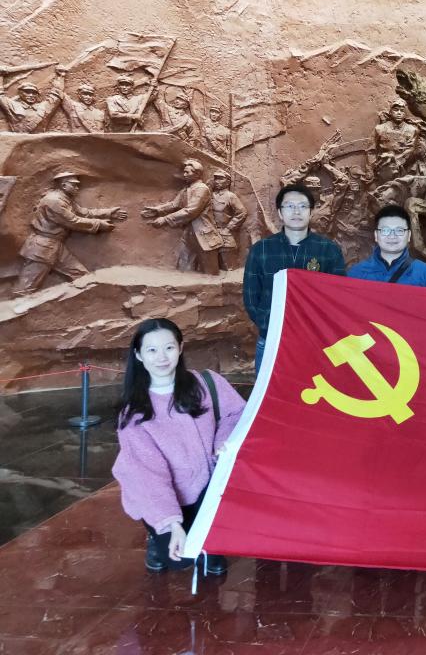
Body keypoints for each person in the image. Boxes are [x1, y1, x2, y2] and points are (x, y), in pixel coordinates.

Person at [112, 318, 246, 575]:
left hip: (208, 485)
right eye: (152, 350)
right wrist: (171, 523)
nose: (162, 357)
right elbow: (148, 474)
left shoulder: (206, 383)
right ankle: (156, 534)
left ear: (181, 348)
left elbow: (236, 414)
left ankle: (210, 543)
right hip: (166, 494)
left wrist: (223, 442)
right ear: (139, 355)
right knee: (180, 560)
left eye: (169, 348)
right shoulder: (134, 412)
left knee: (213, 554)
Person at [243, 184, 346, 372]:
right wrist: (270, 326)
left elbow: (337, 298)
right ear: (280, 213)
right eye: (289, 206)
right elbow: (251, 298)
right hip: (272, 341)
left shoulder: (328, 250)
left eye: (302, 206)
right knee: (270, 391)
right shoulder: (262, 250)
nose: (296, 211)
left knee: (312, 390)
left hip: (315, 343)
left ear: (311, 211)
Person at [13, 171, 127, 294]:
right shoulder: (54, 201)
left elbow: (83, 212)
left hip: (55, 246)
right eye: (74, 185)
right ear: (64, 185)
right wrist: (99, 224)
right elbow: (73, 221)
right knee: (26, 289)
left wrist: (109, 213)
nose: (77, 188)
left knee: (83, 276)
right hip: (42, 248)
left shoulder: (65, 199)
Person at [141, 159, 223, 274]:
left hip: (204, 235)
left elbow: (191, 211)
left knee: (210, 271)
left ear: (197, 174)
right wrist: (157, 210)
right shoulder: (186, 189)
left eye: (187, 172)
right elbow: (174, 204)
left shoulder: (202, 189)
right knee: (184, 268)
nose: (184, 175)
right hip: (189, 234)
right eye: (184, 172)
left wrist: (165, 219)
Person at [349, 204, 426, 286]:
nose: (392, 236)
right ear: (376, 235)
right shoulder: (357, 273)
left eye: (399, 230)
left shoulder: (424, 273)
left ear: (409, 236)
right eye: (385, 230)